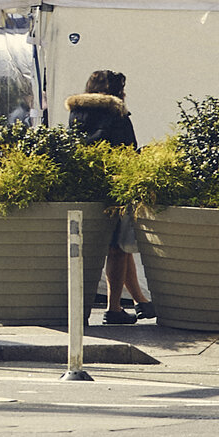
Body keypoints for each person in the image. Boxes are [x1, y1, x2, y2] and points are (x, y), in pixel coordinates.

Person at [68, 69, 150, 324]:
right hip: (114, 186)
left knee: (113, 249)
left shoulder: (76, 114)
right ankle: (113, 308)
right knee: (118, 247)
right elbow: (128, 151)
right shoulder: (117, 114)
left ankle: (141, 302)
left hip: (84, 185)